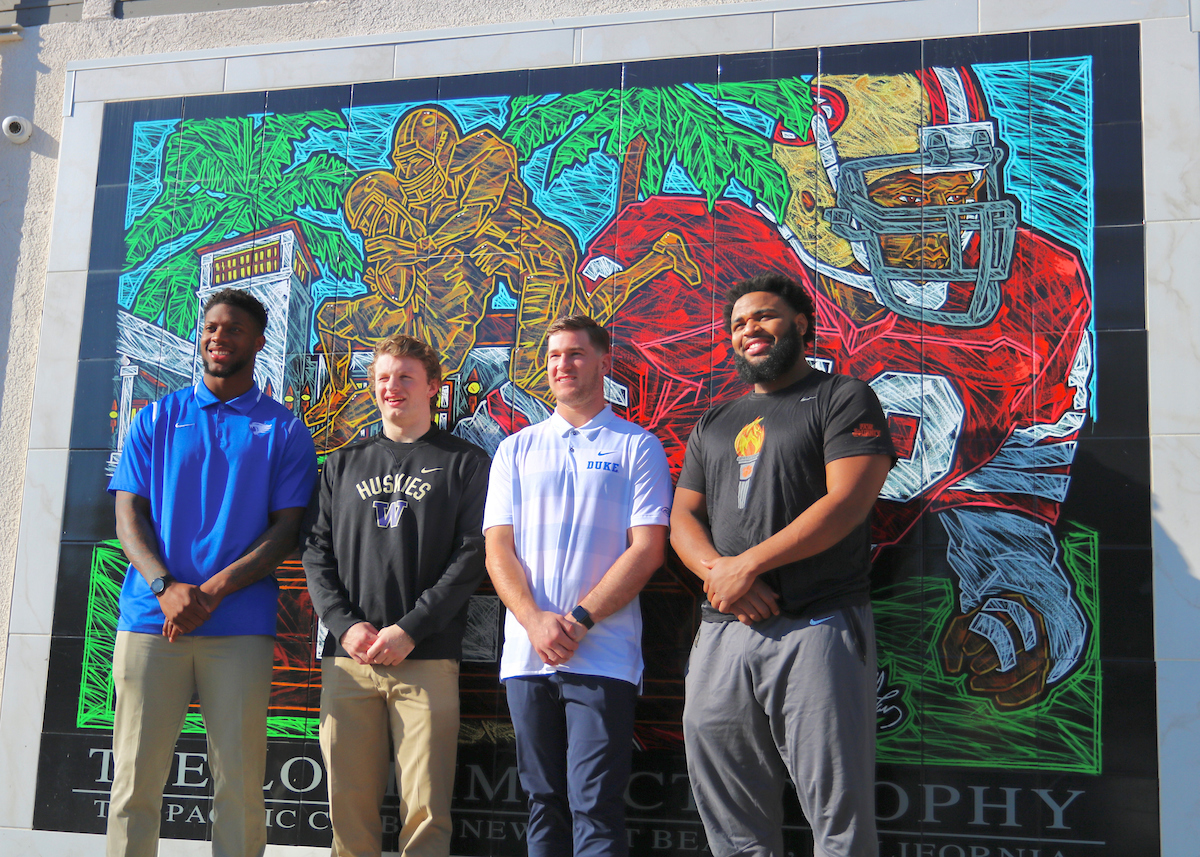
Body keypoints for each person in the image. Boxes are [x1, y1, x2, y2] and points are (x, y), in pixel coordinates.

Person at [671, 272, 895, 857]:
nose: (751, 330)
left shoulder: (843, 398)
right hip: (723, 632)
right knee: (732, 822)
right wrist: (723, 575)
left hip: (817, 623)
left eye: (764, 317)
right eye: (739, 323)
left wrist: (746, 566)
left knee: (838, 818)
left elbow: (847, 503)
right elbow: (682, 519)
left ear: (800, 323)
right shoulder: (714, 422)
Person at [105, 288, 318, 857]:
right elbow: (128, 517)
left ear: (258, 342)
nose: (218, 337)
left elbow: (285, 533)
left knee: (241, 787)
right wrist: (165, 587)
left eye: (233, 329)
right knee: (133, 787)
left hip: (239, 627)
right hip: (152, 623)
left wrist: (209, 592)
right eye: (211, 327)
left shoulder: (284, 431)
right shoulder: (155, 418)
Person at [483, 315, 672, 857]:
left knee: (595, 804)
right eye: (554, 356)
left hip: (602, 655)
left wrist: (580, 619)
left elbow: (647, 549)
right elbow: (498, 550)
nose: (562, 365)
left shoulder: (637, 446)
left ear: (604, 362)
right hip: (527, 652)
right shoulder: (515, 450)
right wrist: (536, 622)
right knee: (543, 800)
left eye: (576, 354)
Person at [303, 333, 490, 857]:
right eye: (383, 378)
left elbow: (473, 556)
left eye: (406, 376)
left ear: (433, 385)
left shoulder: (466, 464)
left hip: (426, 658)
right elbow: (315, 552)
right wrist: (346, 625)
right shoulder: (341, 464)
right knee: (348, 809)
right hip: (349, 660)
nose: (393, 387)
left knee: (427, 812)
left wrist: (411, 628)